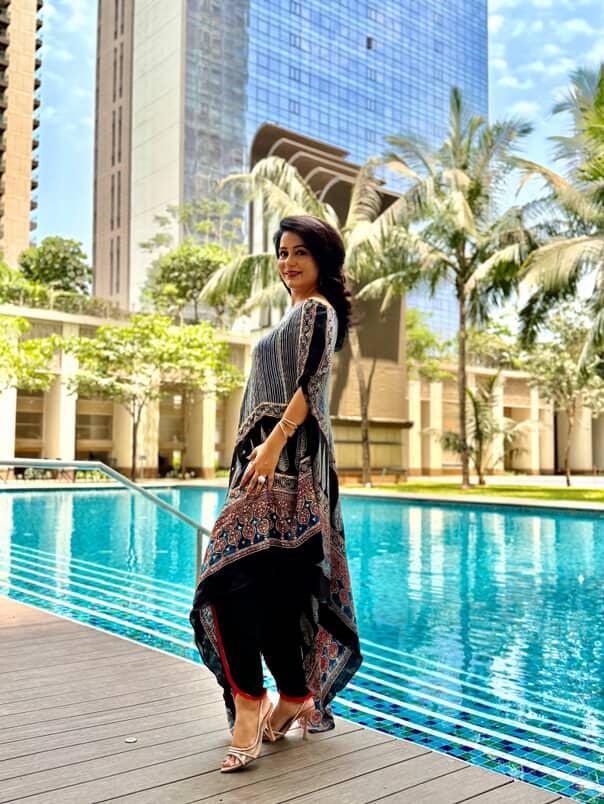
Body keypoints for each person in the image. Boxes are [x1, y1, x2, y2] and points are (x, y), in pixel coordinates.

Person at [189, 214, 362, 772]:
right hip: (261, 468)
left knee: (229, 585)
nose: (288, 262)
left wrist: (270, 446)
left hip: (288, 470)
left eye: (299, 252)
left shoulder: (317, 312)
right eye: (282, 253)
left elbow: (310, 384)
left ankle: (258, 703)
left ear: (322, 259)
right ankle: (284, 696)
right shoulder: (292, 313)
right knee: (271, 595)